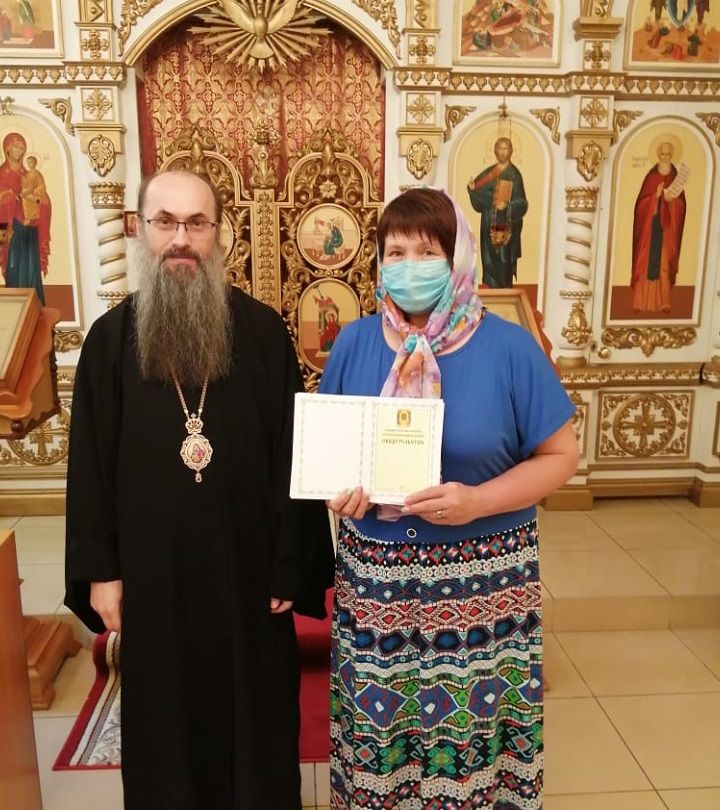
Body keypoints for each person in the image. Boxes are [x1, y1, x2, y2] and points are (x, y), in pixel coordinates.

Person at [64, 169, 334, 810]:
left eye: (196, 223)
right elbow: (90, 467)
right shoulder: (109, 343)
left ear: (220, 234)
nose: (180, 239)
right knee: (165, 724)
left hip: (248, 577)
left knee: (256, 719)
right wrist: (101, 572)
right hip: (151, 580)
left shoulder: (263, 334)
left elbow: (292, 455)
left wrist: (289, 564)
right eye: (165, 222)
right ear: (140, 230)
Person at [319, 188, 579, 809]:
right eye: (395, 252)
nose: (408, 266)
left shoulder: (509, 348)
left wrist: (477, 501)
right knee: (381, 731)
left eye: (426, 252)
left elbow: (561, 457)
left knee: (472, 732)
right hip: (378, 583)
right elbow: (333, 454)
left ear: (458, 257)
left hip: (482, 583)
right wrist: (340, 493)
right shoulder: (356, 343)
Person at [631, 141, 687, 313]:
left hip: (667, 229)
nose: (665, 158)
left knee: (663, 264)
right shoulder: (651, 177)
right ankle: (640, 302)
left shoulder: (676, 177)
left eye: (668, 154)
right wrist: (654, 197)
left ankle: (664, 302)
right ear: (658, 154)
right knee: (645, 263)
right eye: (663, 154)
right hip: (650, 227)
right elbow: (640, 205)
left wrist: (672, 201)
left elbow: (682, 206)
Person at [467, 136, 528, 288]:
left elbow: (522, 202)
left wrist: (507, 206)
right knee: (488, 260)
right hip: (488, 220)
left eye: (505, 148)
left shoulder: (514, 174)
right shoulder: (490, 172)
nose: (502, 152)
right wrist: (472, 189)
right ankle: (490, 291)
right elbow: (478, 192)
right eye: (500, 148)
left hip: (505, 223)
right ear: (495, 151)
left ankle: (503, 290)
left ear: (510, 151)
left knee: (502, 260)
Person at [0, 132, 51, 304]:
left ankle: (35, 302)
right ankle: (14, 302)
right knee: (13, 262)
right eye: (15, 147)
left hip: (30, 224)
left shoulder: (30, 174)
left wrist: (40, 199)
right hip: (10, 225)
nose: (19, 151)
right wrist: (11, 196)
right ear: (7, 149)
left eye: (22, 148)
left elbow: (42, 196)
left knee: (31, 263)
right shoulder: (2, 173)